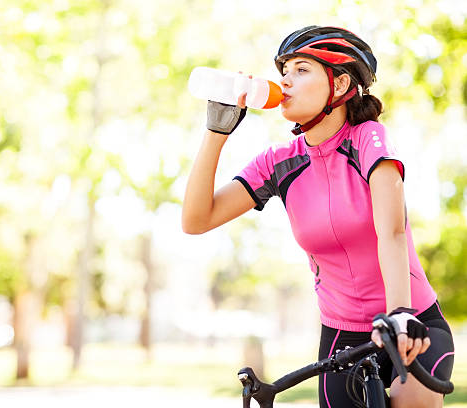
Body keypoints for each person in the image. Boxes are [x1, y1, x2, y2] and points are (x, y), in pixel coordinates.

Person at [182, 26, 454, 407]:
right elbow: (196, 220)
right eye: (284, 71)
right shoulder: (278, 162)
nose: (285, 80)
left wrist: (400, 315)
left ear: (340, 84)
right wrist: (216, 131)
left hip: (409, 321)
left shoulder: (369, 140)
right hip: (342, 337)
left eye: (301, 69)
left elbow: (391, 232)